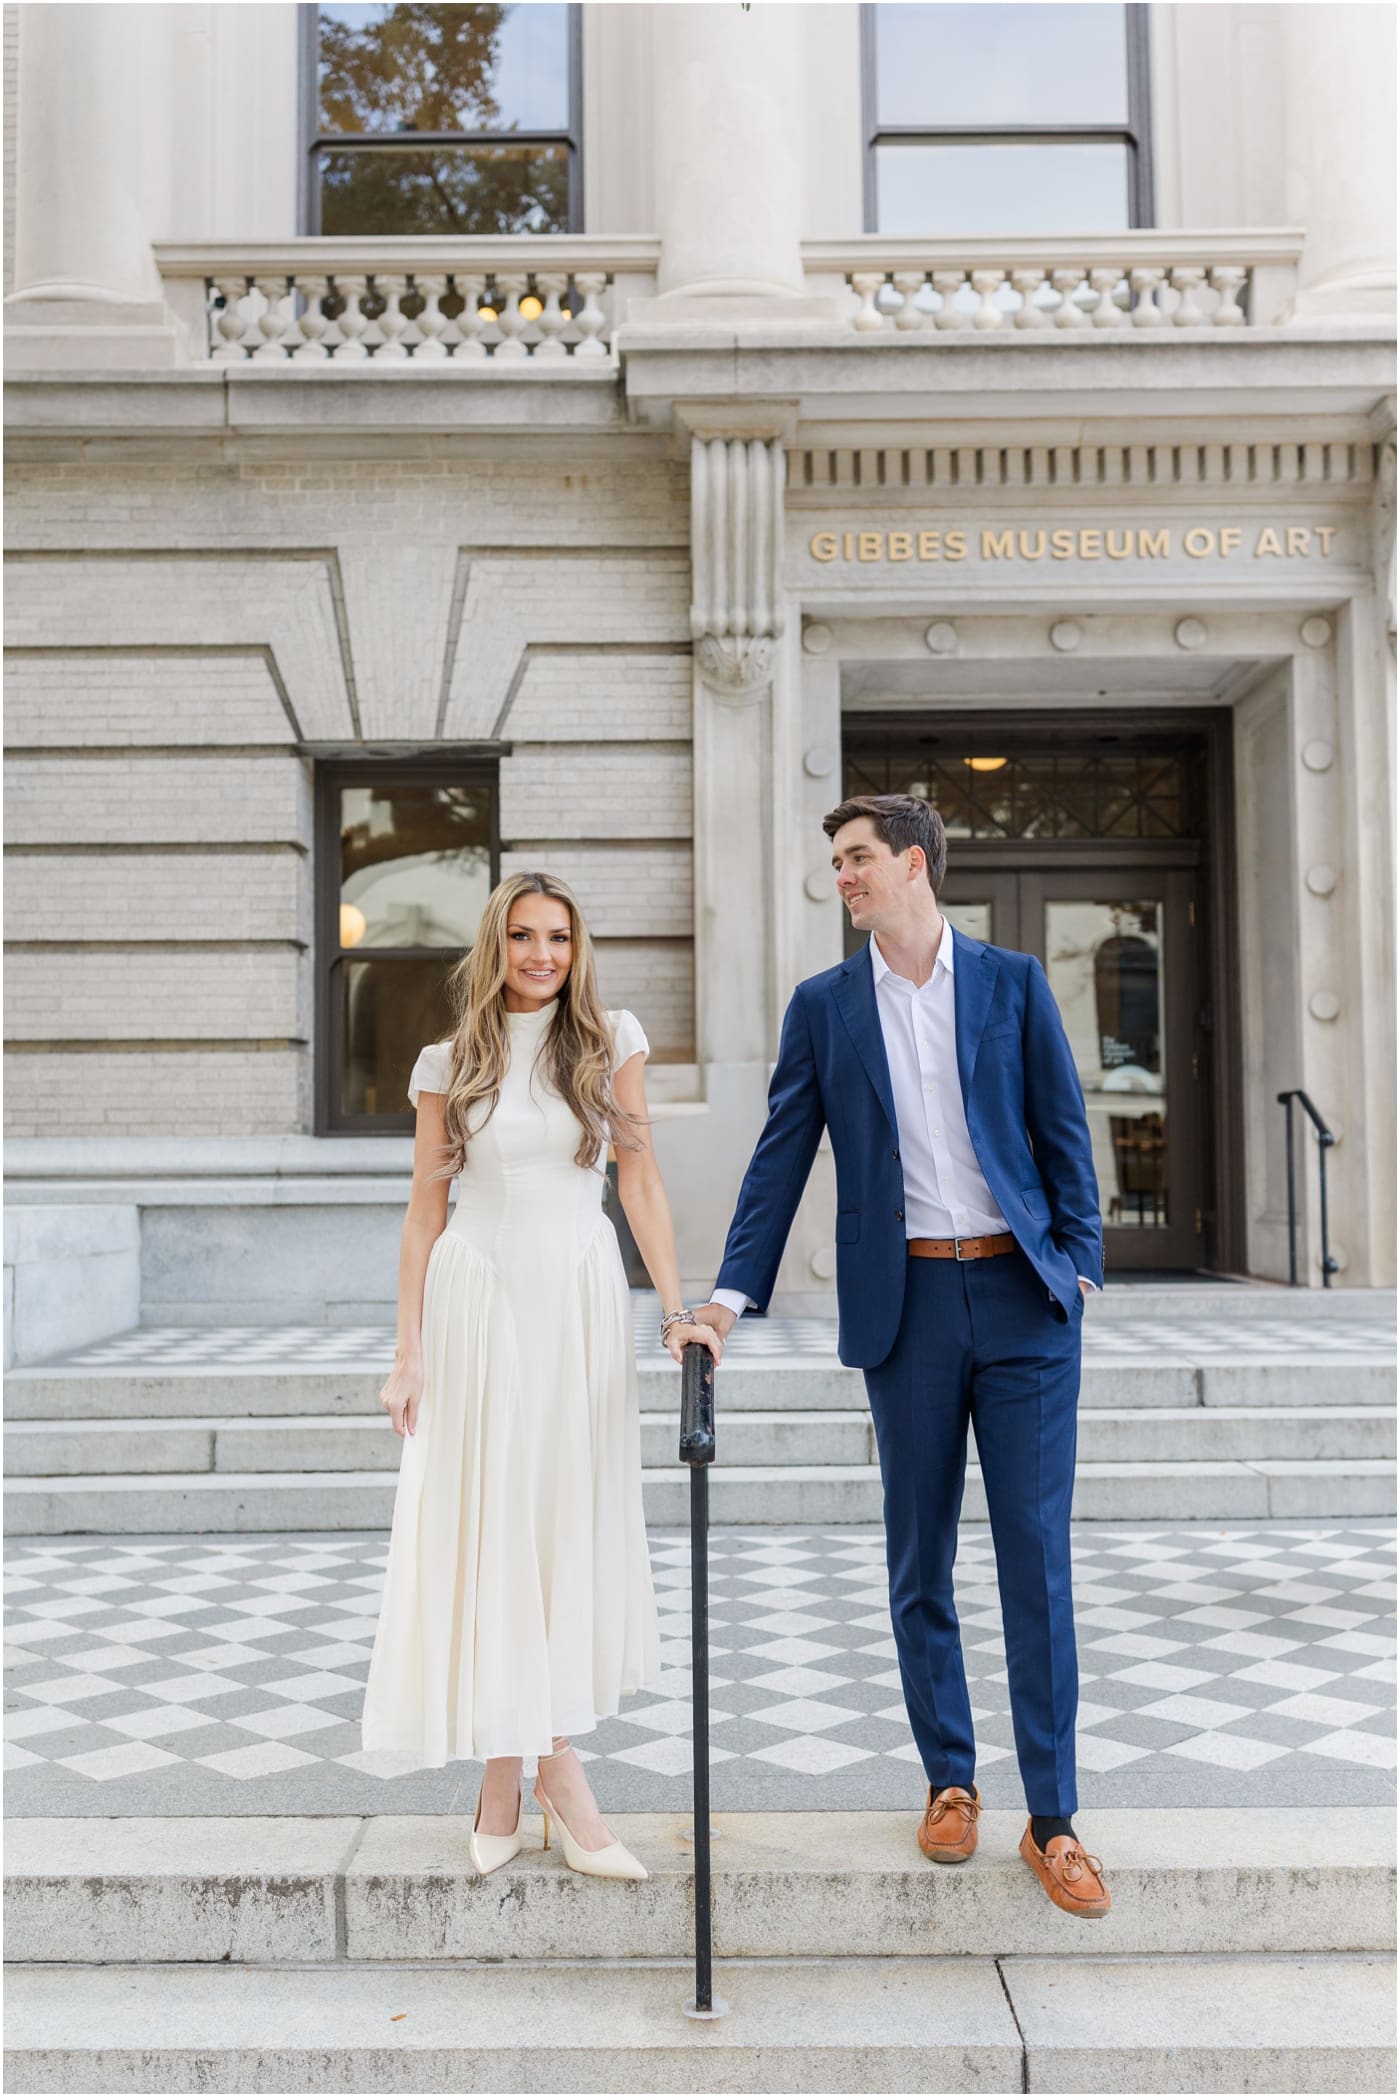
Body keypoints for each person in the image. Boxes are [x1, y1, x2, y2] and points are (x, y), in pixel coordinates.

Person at [693, 794, 1112, 1919]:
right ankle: (948, 1781)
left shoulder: (1011, 983)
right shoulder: (824, 1009)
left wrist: (1078, 1264)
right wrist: (728, 1299)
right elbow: (779, 1160)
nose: (841, 877)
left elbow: (1063, 1132)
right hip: (907, 1306)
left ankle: (1055, 1819)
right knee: (917, 1561)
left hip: (1023, 1304)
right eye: (835, 863)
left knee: (1034, 1563)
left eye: (856, 859)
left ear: (912, 865)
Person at [361, 870, 722, 1883]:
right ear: (495, 945)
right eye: (521, 936)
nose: (539, 955)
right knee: (493, 1528)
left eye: (557, 937)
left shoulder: (610, 1041)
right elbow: (424, 1213)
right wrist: (407, 1351)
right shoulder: (449, 1060)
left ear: (577, 946)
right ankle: (545, 1777)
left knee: (557, 1527)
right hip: (477, 1301)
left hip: (574, 1297)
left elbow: (639, 1179)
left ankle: (512, 1777)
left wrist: (676, 1307)